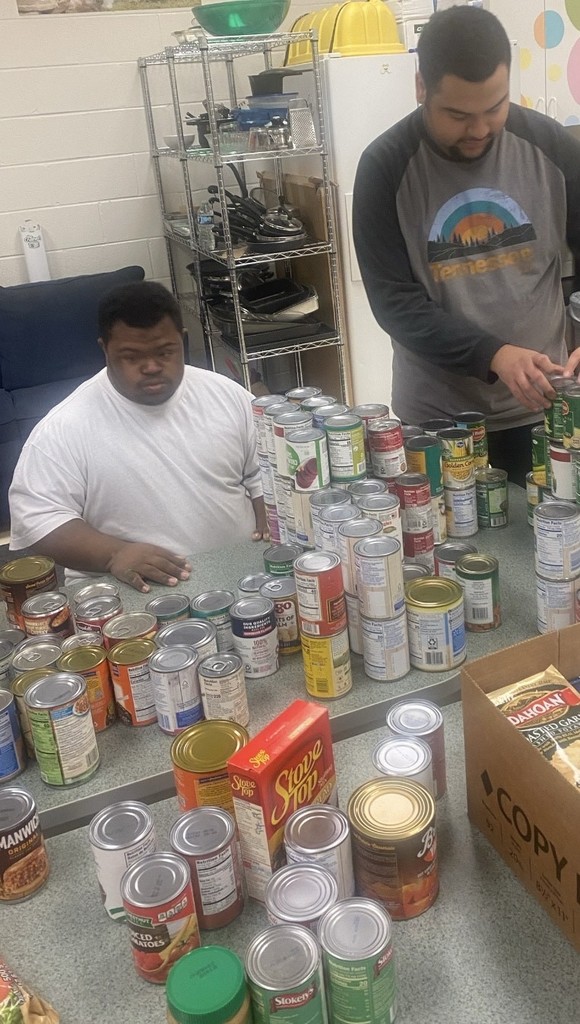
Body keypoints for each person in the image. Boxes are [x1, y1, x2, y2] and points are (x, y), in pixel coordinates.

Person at [353, 5, 580, 486]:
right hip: (438, 424)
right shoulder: (384, 168)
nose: (478, 130)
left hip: (545, 409)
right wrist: (494, 353)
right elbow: (395, 302)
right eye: (457, 115)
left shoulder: (554, 148)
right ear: (421, 88)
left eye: (494, 108)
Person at [9, 280, 267, 592]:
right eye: (132, 356)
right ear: (105, 349)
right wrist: (114, 554)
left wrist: (272, 523)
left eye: (165, 352)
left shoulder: (227, 395)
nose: (151, 367)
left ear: (182, 342)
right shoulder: (65, 426)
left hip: (242, 578)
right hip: (132, 597)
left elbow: (262, 471)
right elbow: (38, 518)